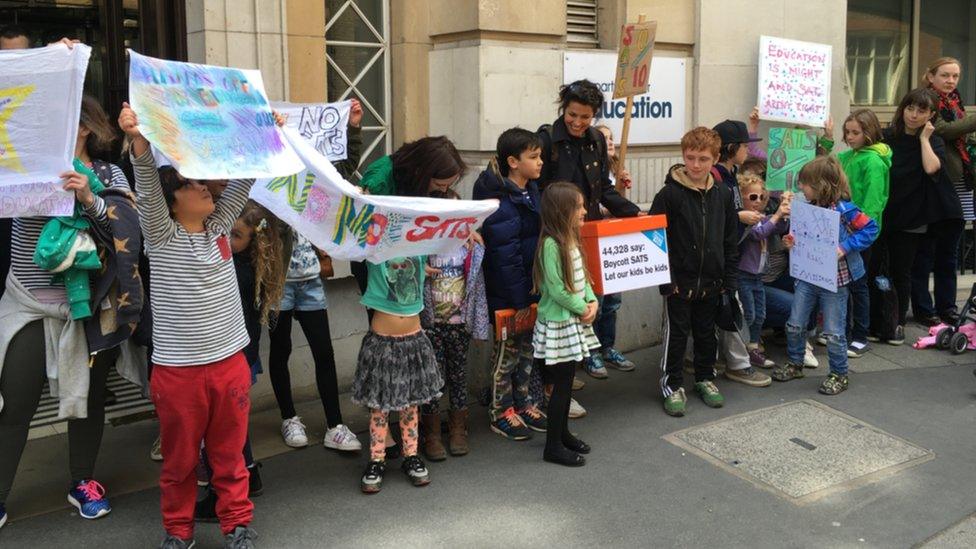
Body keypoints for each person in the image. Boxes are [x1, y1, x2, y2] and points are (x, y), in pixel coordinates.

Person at [119, 103, 271, 548]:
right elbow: (147, 189)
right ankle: (178, 532)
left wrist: (264, 134)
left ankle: (237, 524)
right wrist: (140, 143)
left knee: (229, 456)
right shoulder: (162, 236)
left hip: (229, 364)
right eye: (192, 184)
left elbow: (244, 180)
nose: (206, 188)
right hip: (178, 373)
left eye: (204, 181)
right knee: (181, 461)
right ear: (172, 200)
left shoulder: (220, 227)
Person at [0, 95, 141, 530]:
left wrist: (90, 199)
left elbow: (130, 231)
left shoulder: (107, 173)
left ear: (82, 128)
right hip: (27, 302)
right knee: (16, 402)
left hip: (88, 308)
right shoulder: (21, 164)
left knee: (88, 401)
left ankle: (83, 480)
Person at [353, 136, 469, 460]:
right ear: (421, 172)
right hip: (379, 260)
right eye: (440, 184)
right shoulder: (381, 176)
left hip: (410, 258)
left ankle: (408, 430)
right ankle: (384, 425)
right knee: (383, 347)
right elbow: (364, 219)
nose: (444, 191)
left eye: (449, 185)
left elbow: (440, 212)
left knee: (408, 352)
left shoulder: (427, 184)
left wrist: (463, 227)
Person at [270, 99, 362, 452]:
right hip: (278, 283)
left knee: (324, 352)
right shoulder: (266, 178)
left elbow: (344, 168)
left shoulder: (312, 175)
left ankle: (334, 425)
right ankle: (289, 418)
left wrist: (352, 128)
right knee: (280, 351)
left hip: (310, 281)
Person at [537, 80, 640, 381]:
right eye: (573, 115)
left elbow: (604, 188)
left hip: (591, 229)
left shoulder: (595, 138)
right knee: (565, 298)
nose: (578, 122)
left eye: (586, 117)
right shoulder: (546, 140)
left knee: (600, 295)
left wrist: (633, 212)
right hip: (556, 236)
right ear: (563, 108)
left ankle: (594, 351)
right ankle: (564, 373)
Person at [649, 127, 738, 417]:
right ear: (683, 156)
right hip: (679, 283)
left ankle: (705, 378)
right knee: (676, 336)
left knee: (706, 334)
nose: (696, 165)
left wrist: (729, 280)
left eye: (703, 159)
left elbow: (729, 239)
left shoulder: (723, 195)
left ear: (715, 159)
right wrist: (667, 282)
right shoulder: (668, 195)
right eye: (690, 158)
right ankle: (672, 385)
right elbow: (655, 241)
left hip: (713, 282)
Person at [772, 157, 878, 394]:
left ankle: (839, 373)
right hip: (807, 276)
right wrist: (790, 241)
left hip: (835, 282)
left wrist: (845, 247)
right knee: (795, 323)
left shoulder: (844, 209)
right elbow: (797, 235)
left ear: (821, 185)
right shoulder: (806, 206)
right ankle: (795, 362)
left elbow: (871, 228)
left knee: (833, 330)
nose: (801, 187)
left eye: (805, 183)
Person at [473, 128, 549, 441]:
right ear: (513, 162)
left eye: (540, 155)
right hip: (508, 295)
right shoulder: (498, 201)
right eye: (534, 157)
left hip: (531, 290)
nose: (540, 162)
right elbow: (505, 258)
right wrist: (520, 300)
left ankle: (523, 402)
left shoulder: (532, 191)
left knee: (528, 351)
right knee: (506, 355)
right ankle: (500, 411)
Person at [351, 250, 443, 493]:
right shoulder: (376, 250)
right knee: (379, 407)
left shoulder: (418, 248)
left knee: (410, 405)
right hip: (382, 342)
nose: (401, 268)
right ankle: (376, 459)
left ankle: (411, 455)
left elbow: (443, 228)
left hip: (414, 340)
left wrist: (467, 231)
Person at [877, 88, 962, 344]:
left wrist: (924, 139)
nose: (913, 115)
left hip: (914, 214)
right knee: (880, 268)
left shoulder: (932, 140)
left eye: (921, 111)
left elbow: (932, 167)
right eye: (910, 108)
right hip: (886, 210)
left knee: (903, 270)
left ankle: (898, 321)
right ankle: (879, 319)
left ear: (931, 114)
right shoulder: (887, 135)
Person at [418, 189, 490, 460]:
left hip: (459, 324)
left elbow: (478, 289)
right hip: (431, 324)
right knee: (433, 380)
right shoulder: (424, 247)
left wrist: (480, 326)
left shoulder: (470, 247)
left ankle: (459, 428)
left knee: (459, 376)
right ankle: (433, 433)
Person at [532, 182, 598, 466]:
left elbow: (584, 275)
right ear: (563, 211)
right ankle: (553, 446)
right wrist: (583, 308)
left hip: (573, 320)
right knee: (560, 385)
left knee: (567, 382)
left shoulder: (571, 238)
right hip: (559, 324)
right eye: (579, 207)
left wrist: (592, 301)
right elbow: (557, 289)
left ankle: (563, 434)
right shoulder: (550, 244)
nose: (584, 211)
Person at [914, 57, 976, 326]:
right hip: (936, 184)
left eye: (955, 76)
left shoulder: (955, 102)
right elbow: (942, 130)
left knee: (949, 252)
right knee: (927, 251)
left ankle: (947, 306)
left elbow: (959, 135)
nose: (951, 81)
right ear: (931, 76)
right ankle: (924, 309)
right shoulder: (925, 101)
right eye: (945, 75)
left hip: (959, 183)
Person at [837, 109, 890, 357]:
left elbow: (873, 203)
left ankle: (860, 335)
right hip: (844, 232)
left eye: (855, 132)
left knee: (858, 286)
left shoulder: (873, 162)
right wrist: (826, 139)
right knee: (845, 285)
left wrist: (858, 232)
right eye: (847, 132)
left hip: (861, 235)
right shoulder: (849, 156)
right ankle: (846, 333)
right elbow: (828, 167)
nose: (849, 137)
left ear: (869, 132)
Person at [736, 174, 790, 367]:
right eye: (752, 197)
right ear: (741, 198)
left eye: (761, 197)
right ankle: (742, 349)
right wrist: (776, 216)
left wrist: (782, 210)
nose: (757, 202)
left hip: (758, 277)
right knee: (748, 313)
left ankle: (753, 348)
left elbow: (780, 227)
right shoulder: (746, 220)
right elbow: (759, 233)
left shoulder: (762, 218)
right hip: (743, 275)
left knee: (760, 314)